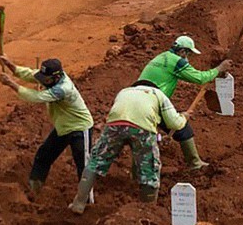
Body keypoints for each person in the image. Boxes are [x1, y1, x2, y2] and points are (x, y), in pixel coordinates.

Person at [68, 79, 191, 214]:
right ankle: (147, 212)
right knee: (149, 168)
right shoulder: (157, 94)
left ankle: (79, 203)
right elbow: (175, 123)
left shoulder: (124, 92)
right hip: (142, 128)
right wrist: (183, 117)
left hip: (114, 125)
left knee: (96, 161)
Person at [0, 56, 94, 197]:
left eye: (46, 80)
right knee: (43, 156)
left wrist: (11, 84)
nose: (42, 82)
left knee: (83, 166)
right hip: (63, 127)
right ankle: (34, 190)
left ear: (56, 77)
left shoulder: (63, 89)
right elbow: (31, 74)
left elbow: (36, 97)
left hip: (79, 128)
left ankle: (87, 201)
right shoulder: (51, 78)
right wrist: (10, 65)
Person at [137, 36, 231, 169]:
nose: (188, 58)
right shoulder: (176, 61)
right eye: (188, 54)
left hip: (138, 98)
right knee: (182, 128)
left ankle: (142, 165)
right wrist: (218, 69)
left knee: (145, 133)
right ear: (182, 52)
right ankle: (195, 163)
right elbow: (199, 78)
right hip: (153, 100)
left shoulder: (161, 57)